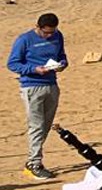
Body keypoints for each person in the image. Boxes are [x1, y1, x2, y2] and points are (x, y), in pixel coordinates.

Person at [8, 13, 68, 180]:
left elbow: (61, 55)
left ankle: (33, 159)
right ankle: (34, 163)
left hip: (51, 85)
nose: (49, 35)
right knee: (37, 126)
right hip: (32, 86)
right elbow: (13, 63)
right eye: (46, 32)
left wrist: (62, 64)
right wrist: (34, 69)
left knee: (45, 126)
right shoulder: (24, 40)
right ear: (38, 27)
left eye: (52, 32)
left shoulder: (58, 36)